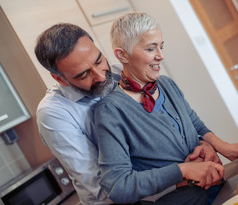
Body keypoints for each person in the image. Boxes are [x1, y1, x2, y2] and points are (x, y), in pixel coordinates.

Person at [34, 23, 221, 205]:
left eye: (99, 60)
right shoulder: (54, 114)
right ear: (59, 79)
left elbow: (164, 129)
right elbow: (103, 188)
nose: (100, 76)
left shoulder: (118, 75)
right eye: (83, 75)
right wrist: (180, 176)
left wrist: (202, 145)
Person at [93, 12, 238, 204]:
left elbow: (194, 123)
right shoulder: (111, 110)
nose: (161, 56)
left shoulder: (167, 84)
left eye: (161, 47)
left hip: (216, 188)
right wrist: (182, 170)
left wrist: (220, 146)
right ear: (122, 55)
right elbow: (118, 186)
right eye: (151, 49)